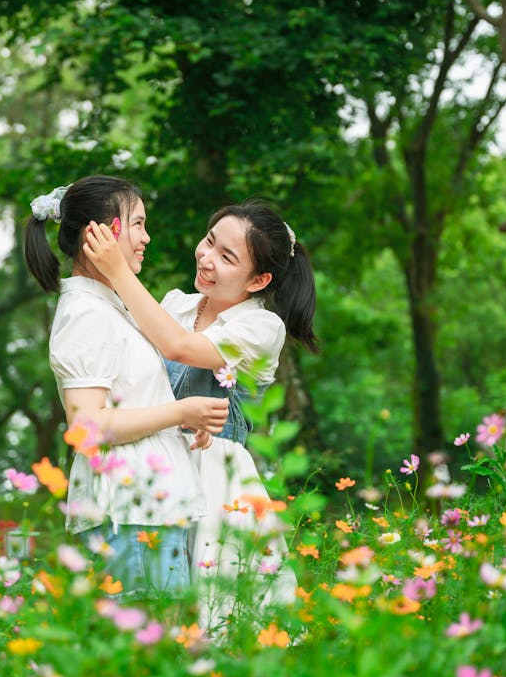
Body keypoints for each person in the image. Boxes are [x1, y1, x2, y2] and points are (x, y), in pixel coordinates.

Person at [83, 199, 318, 631]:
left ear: (259, 279)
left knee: (216, 613)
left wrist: (118, 273)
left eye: (227, 258)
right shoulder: (175, 305)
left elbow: (180, 348)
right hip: (155, 468)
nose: (207, 259)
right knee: (151, 614)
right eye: (209, 242)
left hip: (216, 480)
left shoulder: (262, 329)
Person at [23, 175, 229, 599]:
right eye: (136, 223)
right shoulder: (84, 313)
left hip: (146, 515)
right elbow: (86, 427)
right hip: (129, 519)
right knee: (149, 659)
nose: (146, 237)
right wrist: (181, 411)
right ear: (97, 233)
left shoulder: (109, 308)